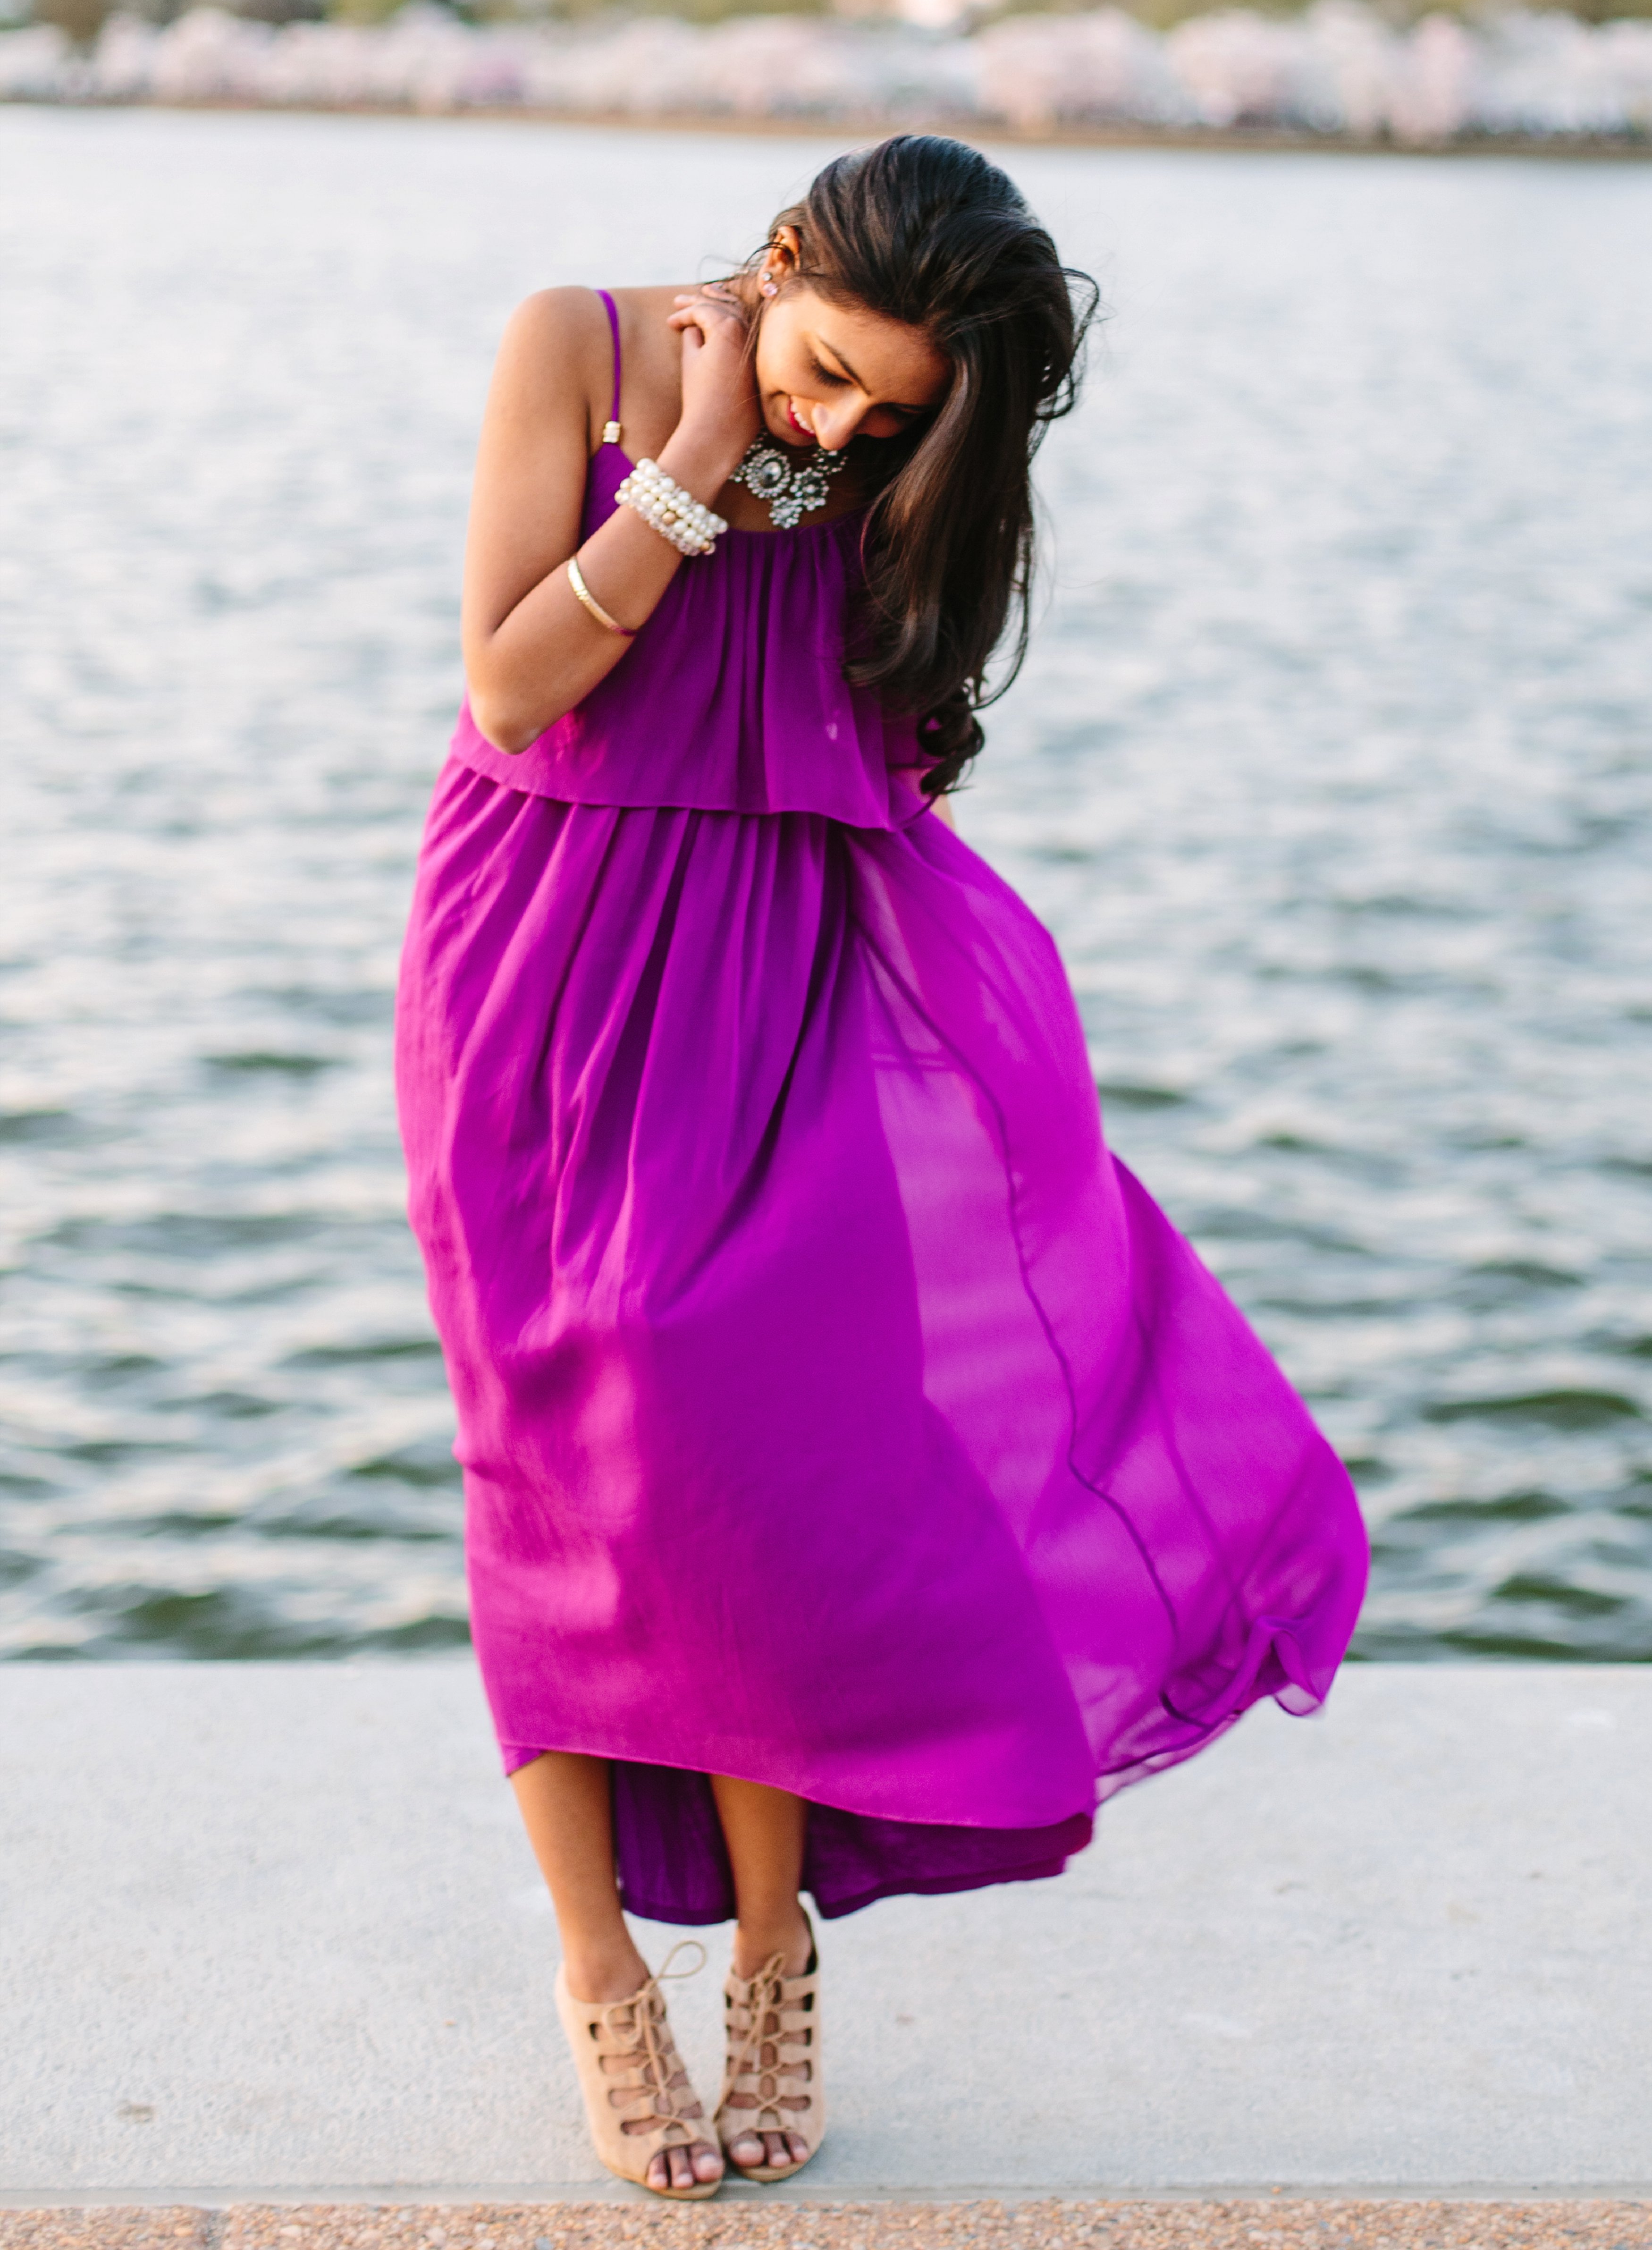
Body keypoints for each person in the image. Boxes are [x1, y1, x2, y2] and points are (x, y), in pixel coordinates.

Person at [395, 134, 1367, 2201]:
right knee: (556, 1443)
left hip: (775, 955)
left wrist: (847, 476)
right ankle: (597, 1971)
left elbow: (886, 738)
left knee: (773, 1451)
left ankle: (770, 1942)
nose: (834, 430)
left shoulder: (885, 472)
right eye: (829, 373)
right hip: (539, 959)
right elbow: (509, 678)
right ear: (771, 265)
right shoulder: (574, 345)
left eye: (882, 414)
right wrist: (704, 456)